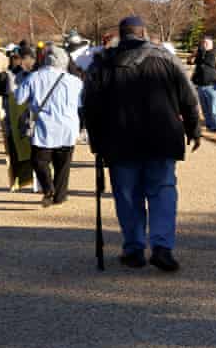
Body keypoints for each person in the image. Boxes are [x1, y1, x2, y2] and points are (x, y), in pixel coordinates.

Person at [83, 16, 201, 272]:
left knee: (127, 195)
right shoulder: (166, 58)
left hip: (119, 139)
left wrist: (95, 140)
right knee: (163, 191)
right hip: (162, 136)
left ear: (121, 35)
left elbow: (89, 105)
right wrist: (194, 128)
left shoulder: (103, 62)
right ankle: (162, 246)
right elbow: (188, 97)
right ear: (144, 33)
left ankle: (134, 248)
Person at [15, 47, 82, 207]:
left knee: (39, 161)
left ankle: (48, 187)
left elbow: (18, 99)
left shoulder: (34, 77)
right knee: (63, 164)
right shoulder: (75, 81)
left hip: (43, 127)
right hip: (68, 127)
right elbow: (80, 104)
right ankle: (60, 196)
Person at [4, 46, 37, 191]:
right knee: (26, 152)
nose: (21, 62)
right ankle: (30, 181)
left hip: (27, 118)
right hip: (20, 119)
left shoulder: (34, 75)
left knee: (35, 152)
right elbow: (9, 101)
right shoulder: (10, 76)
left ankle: (38, 183)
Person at [189, 37, 216, 133]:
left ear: (211, 43)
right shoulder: (200, 54)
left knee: (215, 109)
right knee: (205, 110)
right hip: (200, 86)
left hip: (214, 86)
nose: (204, 45)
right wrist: (193, 54)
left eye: (206, 43)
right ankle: (210, 127)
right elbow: (189, 61)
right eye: (203, 43)